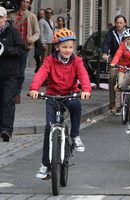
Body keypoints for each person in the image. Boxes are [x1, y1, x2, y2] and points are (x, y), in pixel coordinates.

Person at [29, 28, 91, 179]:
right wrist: (34, 89)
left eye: (70, 47)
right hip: (52, 95)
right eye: (64, 47)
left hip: (70, 94)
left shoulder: (77, 60)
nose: (67, 50)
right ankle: (45, 165)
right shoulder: (50, 60)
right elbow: (41, 73)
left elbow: (83, 74)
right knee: (48, 128)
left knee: (76, 105)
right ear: (57, 47)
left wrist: (86, 89)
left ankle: (75, 136)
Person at [0, 7, 26, 142]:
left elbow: (21, 49)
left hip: (10, 74)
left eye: (0, 17)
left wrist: (6, 50)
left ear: (5, 18)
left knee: (7, 101)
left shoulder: (13, 32)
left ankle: (6, 130)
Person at [9, 0, 40, 104]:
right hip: (12, 48)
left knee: (21, 72)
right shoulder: (12, 15)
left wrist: (31, 39)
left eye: (27, 2)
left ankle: (17, 93)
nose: (25, 4)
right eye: (23, 1)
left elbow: (37, 33)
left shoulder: (32, 16)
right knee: (11, 71)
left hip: (24, 48)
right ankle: (11, 93)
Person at [110, 28, 130, 115]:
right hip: (123, 68)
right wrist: (114, 63)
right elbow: (118, 54)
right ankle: (117, 105)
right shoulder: (122, 45)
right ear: (125, 39)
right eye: (128, 38)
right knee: (120, 85)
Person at [102, 15, 128, 112]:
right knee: (112, 77)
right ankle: (112, 103)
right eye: (117, 22)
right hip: (114, 58)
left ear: (125, 23)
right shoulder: (111, 32)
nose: (118, 24)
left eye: (121, 23)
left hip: (127, 58)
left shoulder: (129, 32)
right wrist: (105, 53)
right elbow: (106, 43)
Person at [34, 8, 45, 73]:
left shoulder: (46, 21)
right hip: (37, 41)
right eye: (40, 14)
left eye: (42, 14)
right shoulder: (36, 21)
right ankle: (38, 64)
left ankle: (42, 68)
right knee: (36, 55)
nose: (41, 15)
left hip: (45, 40)